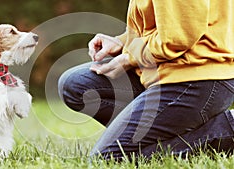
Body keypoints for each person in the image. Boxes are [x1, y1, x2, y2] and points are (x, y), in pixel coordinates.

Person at [58, 0, 234, 161]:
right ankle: (150, 138)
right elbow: (160, 26)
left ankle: (226, 130)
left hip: (197, 78)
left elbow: (177, 37)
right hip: (163, 70)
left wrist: (129, 57)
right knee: (76, 85)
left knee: (108, 158)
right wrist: (123, 42)